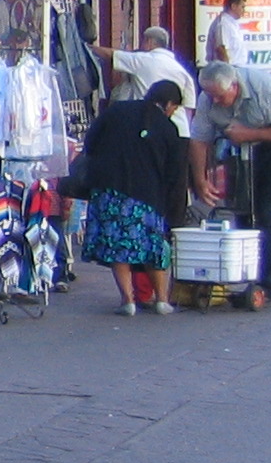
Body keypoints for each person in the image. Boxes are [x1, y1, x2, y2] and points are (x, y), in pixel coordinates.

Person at [188, 61, 271, 307]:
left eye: (220, 96)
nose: (215, 101)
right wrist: (200, 179)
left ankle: (267, 284)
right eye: (210, 96)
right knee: (242, 209)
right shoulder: (208, 99)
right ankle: (243, 273)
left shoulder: (266, 88)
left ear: (235, 86)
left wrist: (249, 134)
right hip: (240, 149)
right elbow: (199, 139)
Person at [76, 82, 190, 316]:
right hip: (147, 197)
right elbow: (175, 173)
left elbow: (90, 143)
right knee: (152, 247)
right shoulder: (167, 127)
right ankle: (161, 300)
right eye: (174, 108)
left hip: (109, 190)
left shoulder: (116, 111)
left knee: (119, 247)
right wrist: (174, 211)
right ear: (168, 104)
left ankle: (127, 300)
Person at [96, 25, 197, 106]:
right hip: (177, 127)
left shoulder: (143, 60)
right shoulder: (183, 72)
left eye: (143, 41)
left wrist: (87, 47)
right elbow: (189, 108)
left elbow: (111, 54)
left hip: (149, 122)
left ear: (149, 42)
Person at [205, 0, 251, 65]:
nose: (244, 11)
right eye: (242, 7)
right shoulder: (223, 23)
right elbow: (221, 49)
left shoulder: (231, 23)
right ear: (233, 6)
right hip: (226, 71)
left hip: (236, 68)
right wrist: (228, 70)